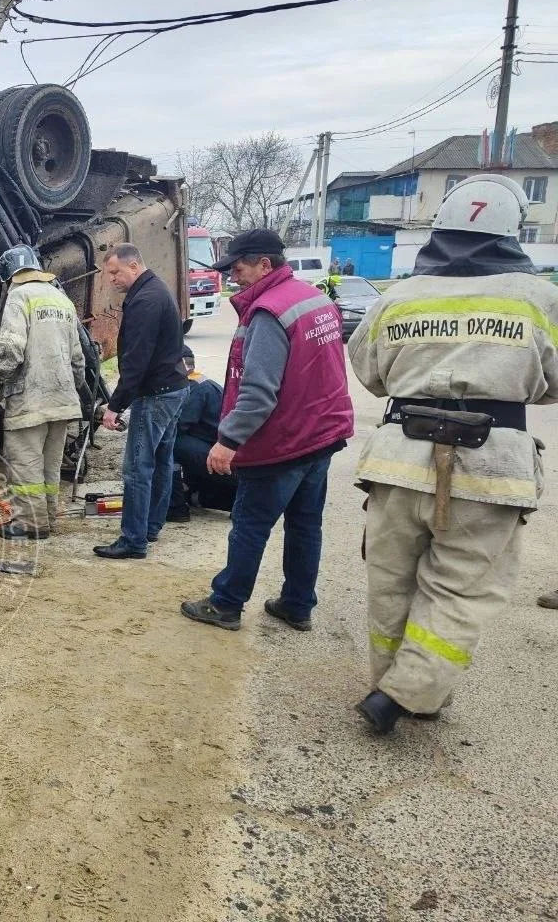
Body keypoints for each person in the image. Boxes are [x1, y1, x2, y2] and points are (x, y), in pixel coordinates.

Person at [347, 174, 558, 734]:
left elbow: (368, 370)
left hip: (399, 460)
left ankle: (388, 685)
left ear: (438, 228)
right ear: (512, 230)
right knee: (461, 588)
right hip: (491, 468)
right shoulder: (539, 299)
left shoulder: (398, 297)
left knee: (390, 582)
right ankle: (407, 694)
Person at [180, 229, 354, 632]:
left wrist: (228, 441)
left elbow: (258, 392)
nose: (233, 276)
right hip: (320, 435)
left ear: (264, 264)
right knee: (305, 524)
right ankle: (297, 604)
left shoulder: (268, 312)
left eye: (238, 267)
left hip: (284, 442)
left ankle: (226, 603)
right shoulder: (314, 299)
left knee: (250, 525)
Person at [0, 246, 86, 540]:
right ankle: (47, 518)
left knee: (26, 465)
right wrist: (71, 388)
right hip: (62, 401)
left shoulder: (19, 296)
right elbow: (78, 359)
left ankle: (29, 524)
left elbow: (11, 350)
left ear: (8, 277)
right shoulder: (62, 299)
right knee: (50, 466)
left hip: (30, 400)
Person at [92, 243, 189, 560]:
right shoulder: (157, 289)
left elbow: (136, 361)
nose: (111, 279)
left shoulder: (145, 300)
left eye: (115, 272)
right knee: (161, 461)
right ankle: (150, 527)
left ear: (134, 266)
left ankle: (133, 540)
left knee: (137, 468)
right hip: (174, 388)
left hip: (156, 394)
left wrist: (115, 406)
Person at [167, 346, 237, 520]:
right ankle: (191, 490)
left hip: (228, 463)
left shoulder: (193, 389)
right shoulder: (201, 381)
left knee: (168, 443)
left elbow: (177, 427)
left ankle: (175, 507)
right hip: (231, 458)